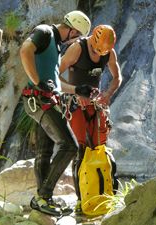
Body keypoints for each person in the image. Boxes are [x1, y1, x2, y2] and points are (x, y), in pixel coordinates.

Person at [19, 10, 93, 216]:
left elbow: (55, 82)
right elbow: (25, 50)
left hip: (44, 99)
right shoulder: (45, 32)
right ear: (72, 30)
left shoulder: (56, 47)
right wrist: (37, 82)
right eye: (77, 36)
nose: (76, 41)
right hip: (38, 100)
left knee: (44, 152)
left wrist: (77, 90)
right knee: (69, 146)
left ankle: (44, 199)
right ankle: (43, 196)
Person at [59, 24, 122, 214]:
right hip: (74, 102)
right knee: (82, 149)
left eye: (102, 51)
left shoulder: (109, 53)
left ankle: (107, 192)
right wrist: (76, 91)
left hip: (95, 102)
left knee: (100, 148)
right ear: (93, 40)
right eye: (96, 50)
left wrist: (108, 93)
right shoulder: (77, 48)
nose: (98, 53)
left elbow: (117, 77)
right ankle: (83, 200)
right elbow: (55, 76)